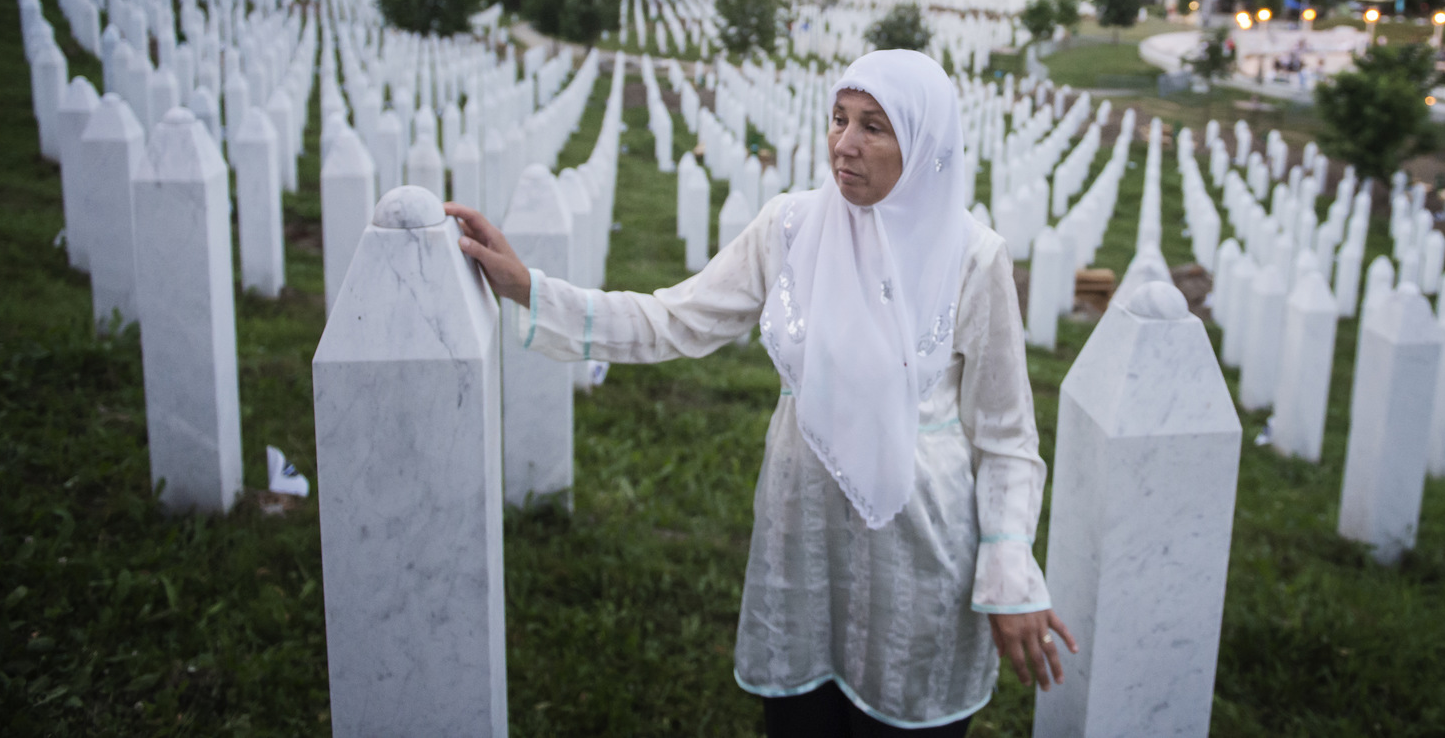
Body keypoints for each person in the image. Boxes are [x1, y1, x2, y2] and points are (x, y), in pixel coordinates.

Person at [446, 49, 1076, 736]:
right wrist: (531, 289)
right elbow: (675, 319)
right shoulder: (790, 228)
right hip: (800, 539)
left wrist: (1010, 572)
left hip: (917, 555)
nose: (845, 143)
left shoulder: (972, 256)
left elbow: (1006, 434)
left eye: (874, 126)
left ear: (923, 141)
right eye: (839, 119)